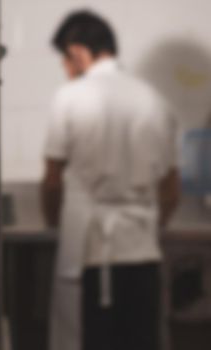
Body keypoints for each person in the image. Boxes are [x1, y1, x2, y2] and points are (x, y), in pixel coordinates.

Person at [42, 10, 180, 350]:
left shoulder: (71, 98)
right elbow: (171, 187)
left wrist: (54, 226)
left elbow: (53, 181)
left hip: (89, 250)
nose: (65, 68)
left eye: (65, 59)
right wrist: (149, 227)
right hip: (143, 252)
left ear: (77, 52)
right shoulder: (155, 101)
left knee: (87, 340)